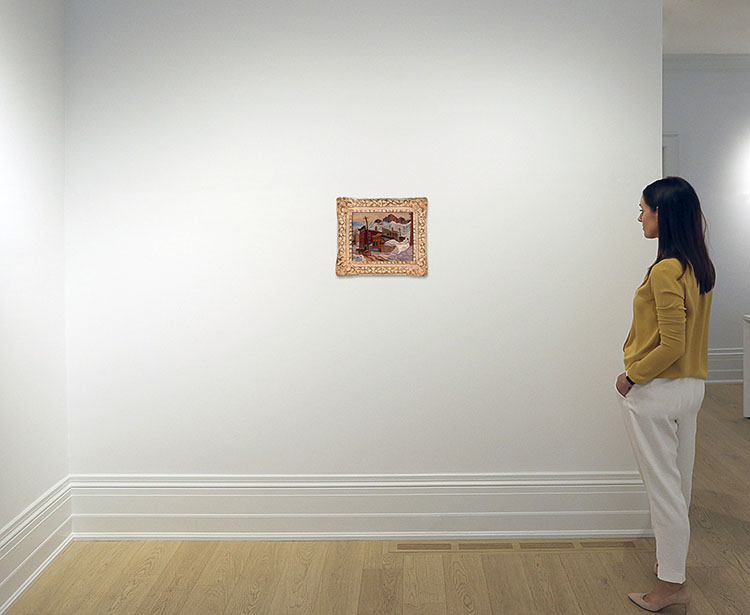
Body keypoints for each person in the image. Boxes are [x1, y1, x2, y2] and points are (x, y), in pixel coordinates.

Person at [615, 176, 715, 613]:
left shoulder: (665, 269)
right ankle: (670, 568)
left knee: (664, 491)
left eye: (643, 209)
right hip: (691, 389)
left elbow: (671, 343)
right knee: (679, 486)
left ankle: (671, 584)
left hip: (658, 391)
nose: (639, 217)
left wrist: (631, 376)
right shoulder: (698, 266)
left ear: (662, 214)